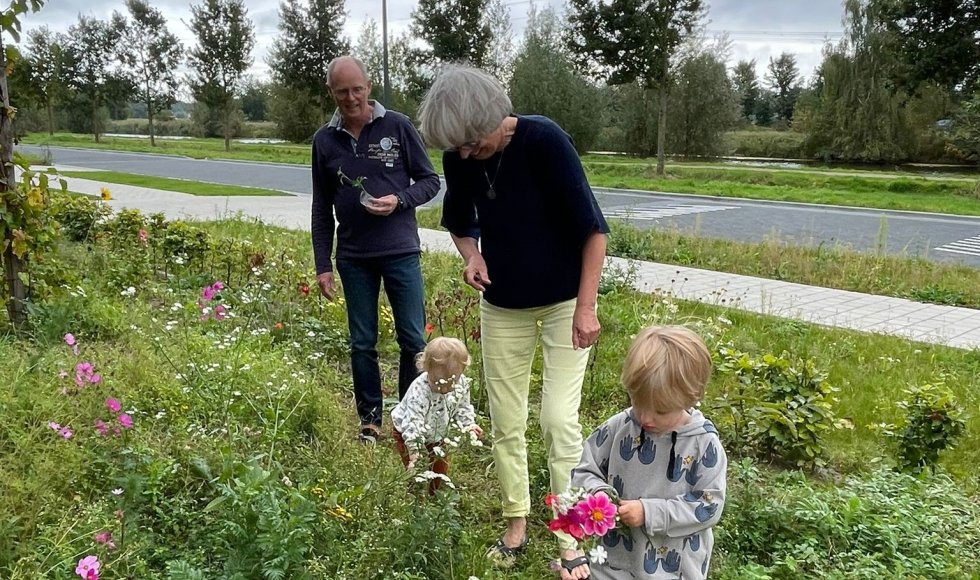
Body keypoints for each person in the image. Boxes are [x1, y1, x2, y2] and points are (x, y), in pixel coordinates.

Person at [417, 64, 610, 570]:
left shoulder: (544, 141)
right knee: (506, 421)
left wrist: (586, 308)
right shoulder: (461, 155)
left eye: (470, 143)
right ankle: (517, 521)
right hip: (503, 307)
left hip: (566, 301)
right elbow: (459, 223)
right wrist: (471, 257)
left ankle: (571, 532)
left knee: (557, 420)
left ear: (494, 116)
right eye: (455, 147)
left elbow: (593, 231)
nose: (462, 154)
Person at [311, 55, 440, 443]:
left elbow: (431, 181)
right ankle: (370, 421)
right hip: (353, 258)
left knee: (412, 340)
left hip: (400, 250)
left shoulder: (397, 126)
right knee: (362, 342)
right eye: (341, 91)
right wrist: (323, 264)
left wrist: (399, 200)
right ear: (331, 92)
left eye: (356, 89)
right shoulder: (324, 141)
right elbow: (321, 205)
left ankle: (408, 417)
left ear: (368, 87)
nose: (350, 98)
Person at [568, 325, 728, 580]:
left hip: (673, 568)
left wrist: (650, 512)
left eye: (661, 411)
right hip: (614, 561)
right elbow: (584, 469)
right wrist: (600, 496)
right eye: (637, 402)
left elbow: (709, 506)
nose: (645, 417)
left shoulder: (703, 444)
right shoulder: (620, 427)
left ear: (692, 396)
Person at [391, 336, 483, 494]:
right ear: (425, 368)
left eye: (451, 383)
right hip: (407, 432)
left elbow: (463, 407)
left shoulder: (461, 384)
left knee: (440, 468)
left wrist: (469, 425)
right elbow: (412, 423)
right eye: (439, 383)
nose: (445, 390)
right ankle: (416, 495)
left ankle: (434, 493)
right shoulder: (420, 391)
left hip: (437, 432)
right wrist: (414, 453)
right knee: (417, 469)